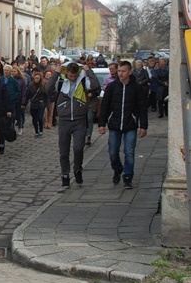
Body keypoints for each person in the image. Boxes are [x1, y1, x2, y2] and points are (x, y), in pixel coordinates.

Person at [46, 62, 100, 188]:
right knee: (64, 151)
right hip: (64, 121)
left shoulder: (82, 81)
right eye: (70, 75)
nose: (72, 78)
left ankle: (77, 169)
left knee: (78, 148)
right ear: (66, 73)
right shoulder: (61, 82)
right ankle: (65, 175)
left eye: (74, 75)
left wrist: (89, 71)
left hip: (79, 120)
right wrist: (56, 73)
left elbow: (95, 85)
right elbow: (48, 88)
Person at [98, 61, 148, 190]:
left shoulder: (136, 87)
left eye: (123, 71)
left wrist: (143, 126)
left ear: (130, 72)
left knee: (129, 152)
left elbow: (142, 107)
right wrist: (101, 123)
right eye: (119, 71)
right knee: (113, 152)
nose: (120, 73)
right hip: (114, 124)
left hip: (130, 124)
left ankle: (128, 177)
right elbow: (104, 106)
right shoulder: (112, 87)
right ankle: (117, 169)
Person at [26, 72, 49, 137]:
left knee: (40, 117)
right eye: (36, 78)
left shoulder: (42, 86)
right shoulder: (30, 85)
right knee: (34, 118)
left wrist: (46, 104)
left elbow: (46, 96)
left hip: (40, 104)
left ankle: (41, 130)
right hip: (33, 104)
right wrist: (24, 103)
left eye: (38, 78)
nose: (37, 79)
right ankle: (36, 131)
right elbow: (27, 95)